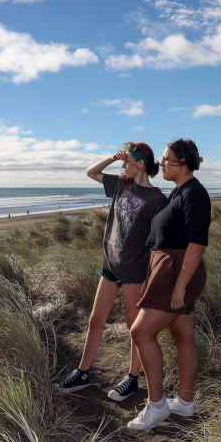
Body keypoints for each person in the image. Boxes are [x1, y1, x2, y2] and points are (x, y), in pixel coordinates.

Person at [54, 142, 165, 401]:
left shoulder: (157, 199)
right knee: (95, 321)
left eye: (128, 159)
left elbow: (159, 239)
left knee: (133, 327)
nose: (124, 163)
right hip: (110, 265)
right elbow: (91, 172)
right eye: (123, 159)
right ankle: (82, 374)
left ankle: (132, 378)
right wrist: (112, 158)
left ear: (141, 163)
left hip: (134, 272)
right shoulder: (119, 184)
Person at [127, 139, 210, 431]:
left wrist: (179, 287)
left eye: (166, 159)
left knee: (140, 331)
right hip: (170, 269)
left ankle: (157, 405)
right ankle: (185, 403)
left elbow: (197, 244)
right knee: (182, 332)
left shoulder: (194, 194)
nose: (161, 164)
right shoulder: (180, 191)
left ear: (183, 162)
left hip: (177, 272)